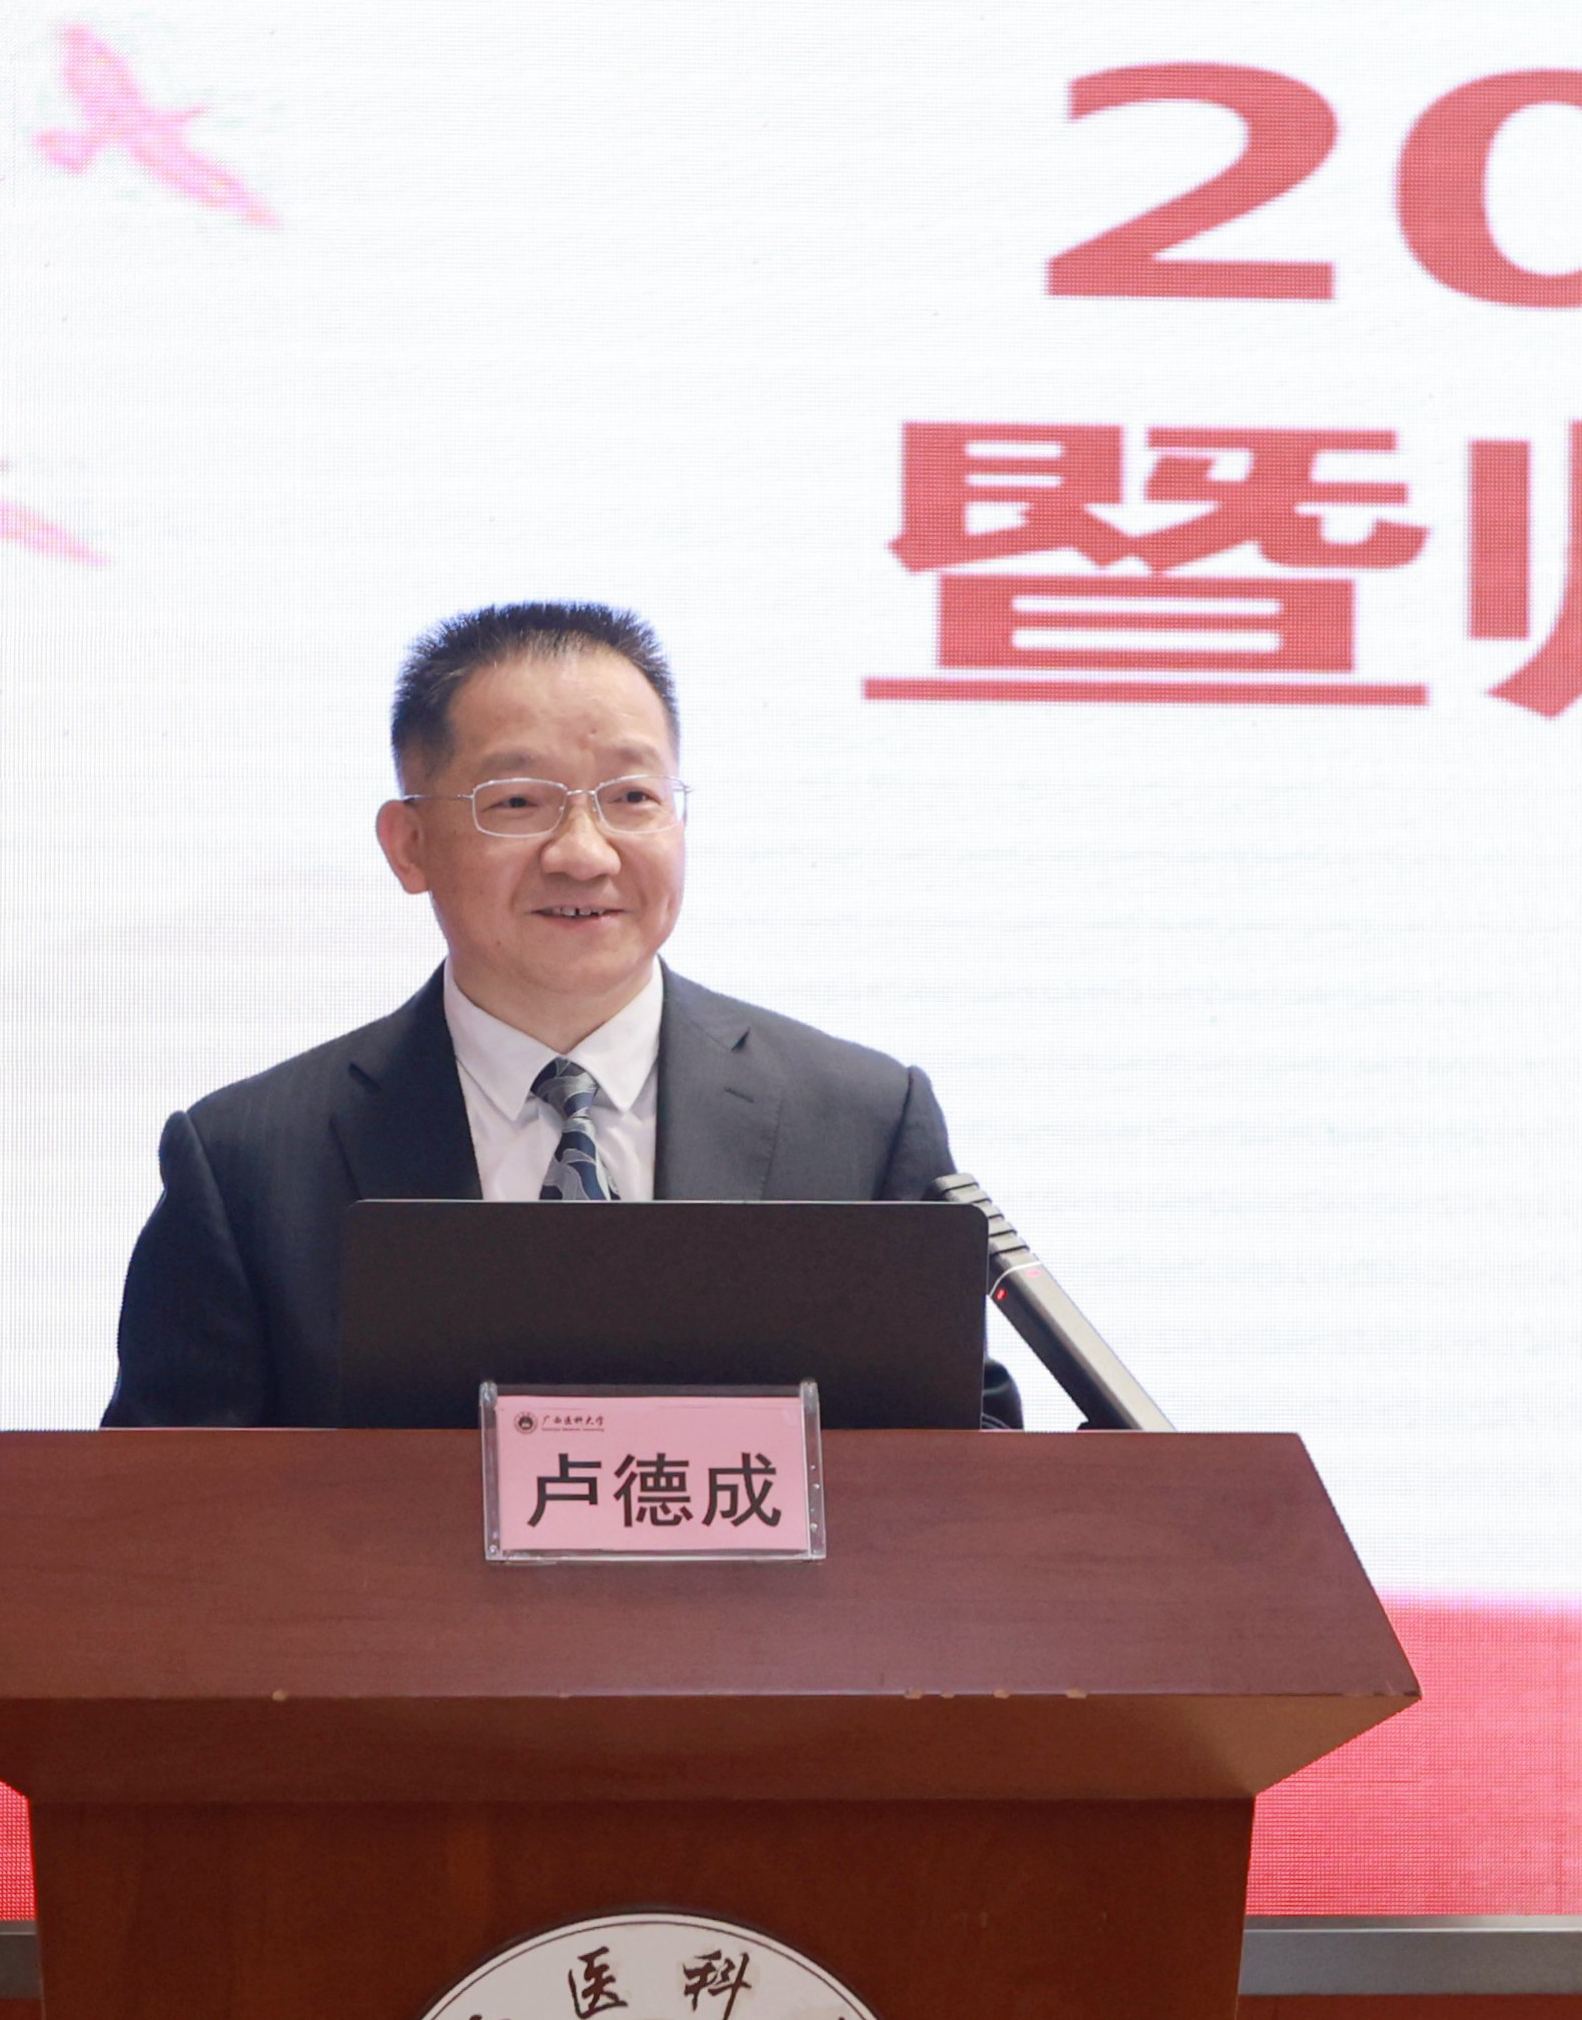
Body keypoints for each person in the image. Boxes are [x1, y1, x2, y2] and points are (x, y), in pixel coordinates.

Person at [102, 600, 976, 1425]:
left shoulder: (859, 1122)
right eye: (517, 803)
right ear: (409, 845)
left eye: (632, 798)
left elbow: (966, 1459)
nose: (584, 855)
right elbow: (163, 1502)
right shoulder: (248, 1164)